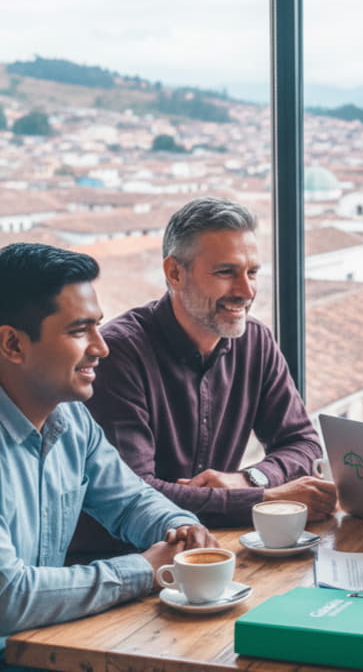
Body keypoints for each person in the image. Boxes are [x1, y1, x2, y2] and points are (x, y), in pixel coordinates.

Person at [0, 243, 217, 667]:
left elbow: (131, 500)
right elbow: (9, 597)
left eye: (98, 327)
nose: (101, 348)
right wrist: (144, 569)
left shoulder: (72, 421)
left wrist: (179, 527)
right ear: (12, 344)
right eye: (80, 330)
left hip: (46, 653)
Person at [84, 197, 335, 531]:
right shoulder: (118, 354)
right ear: (175, 273)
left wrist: (250, 478)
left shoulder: (255, 341)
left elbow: (303, 443)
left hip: (216, 546)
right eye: (226, 272)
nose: (246, 291)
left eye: (252, 272)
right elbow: (135, 495)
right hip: (126, 559)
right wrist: (266, 501)